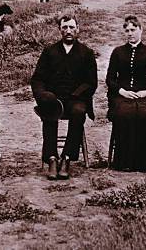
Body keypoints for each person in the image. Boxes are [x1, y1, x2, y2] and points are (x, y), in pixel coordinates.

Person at [31, 15, 98, 180]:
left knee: (78, 112)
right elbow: (37, 79)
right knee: (49, 111)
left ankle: (67, 158)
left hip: (77, 98)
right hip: (54, 98)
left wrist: (76, 95)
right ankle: (52, 158)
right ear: (60, 30)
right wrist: (43, 96)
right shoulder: (49, 52)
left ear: (77, 29)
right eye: (65, 27)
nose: (68, 31)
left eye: (71, 27)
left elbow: (91, 82)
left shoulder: (86, 53)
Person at [106, 15, 146, 172]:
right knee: (124, 114)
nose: (130, 33)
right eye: (127, 30)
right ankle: (124, 162)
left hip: (144, 94)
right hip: (122, 95)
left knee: (145, 114)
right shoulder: (118, 52)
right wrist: (122, 91)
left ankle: (144, 162)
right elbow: (110, 78)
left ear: (141, 30)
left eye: (133, 30)